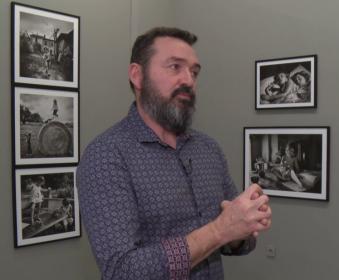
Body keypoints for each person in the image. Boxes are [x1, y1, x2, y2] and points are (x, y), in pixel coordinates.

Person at [76, 27, 272, 280]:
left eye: (194, 72)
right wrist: (220, 230)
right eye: (175, 67)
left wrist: (243, 225)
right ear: (137, 75)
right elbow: (121, 271)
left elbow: (237, 240)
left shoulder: (208, 149)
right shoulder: (106, 156)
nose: (188, 80)